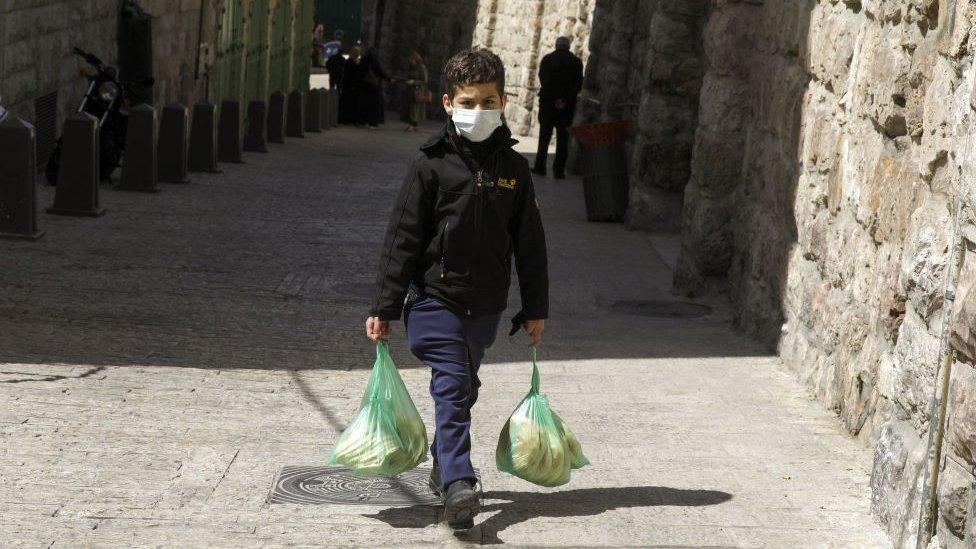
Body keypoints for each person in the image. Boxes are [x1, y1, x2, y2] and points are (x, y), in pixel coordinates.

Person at [365, 48, 549, 531]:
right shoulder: (431, 166)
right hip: (433, 300)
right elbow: (402, 239)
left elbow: (530, 244)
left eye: (488, 101)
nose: (479, 111)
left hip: (484, 306)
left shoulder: (515, 171)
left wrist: (535, 307)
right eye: (468, 101)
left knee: (462, 388)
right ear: (448, 103)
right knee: (452, 385)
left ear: (503, 100)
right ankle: (459, 485)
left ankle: (445, 465)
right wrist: (384, 306)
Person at [532, 36, 583, 179]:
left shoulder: (548, 59)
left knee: (544, 137)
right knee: (562, 139)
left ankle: (540, 167)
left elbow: (543, 79)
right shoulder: (576, 62)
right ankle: (558, 171)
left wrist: (554, 98)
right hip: (566, 107)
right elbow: (578, 84)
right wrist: (564, 99)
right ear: (568, 46)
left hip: (548, 104)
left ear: (556, 45)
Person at [359, 46, 391, 129]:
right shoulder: (375, 61)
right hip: (374, 85)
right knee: (375, 104)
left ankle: (364, 121)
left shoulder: (364, 60)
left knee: (366, 103)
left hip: (365, 85)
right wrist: (388, 79)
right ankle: (373, 123)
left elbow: (360, 71)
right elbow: (380, 71)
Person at [338, 46, 364, 125]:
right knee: (348, 103)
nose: (358, 53)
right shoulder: (350, 62)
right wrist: (351, 85)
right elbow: (348, 75)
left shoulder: (356, 61)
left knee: (353, 103)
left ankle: (352, 119)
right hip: (349, 86)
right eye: (357, 51)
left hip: (354, 86)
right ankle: (347, 119)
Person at [404, 52, 429, 132]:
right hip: (411, 90)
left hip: (418, 91)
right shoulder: (412, 67)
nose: (411, 61)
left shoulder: (422, 68)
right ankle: (413, 125)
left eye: (412, 60)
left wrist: (414, 82)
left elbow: (424, 81)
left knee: (415, 108)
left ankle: (413, 125)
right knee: (412, 108)